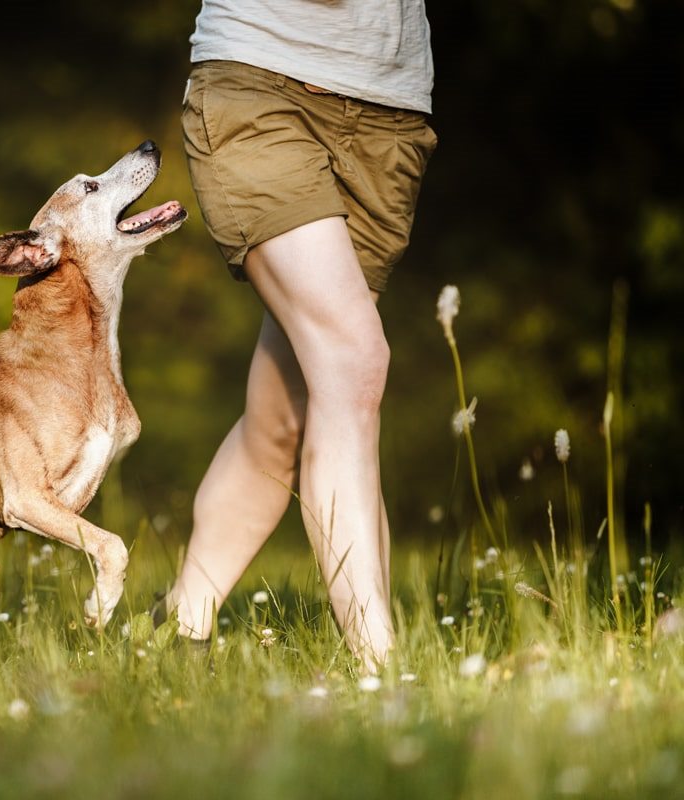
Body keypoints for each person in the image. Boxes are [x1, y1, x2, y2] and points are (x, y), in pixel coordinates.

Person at [164, 0, 437, 670]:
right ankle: (380, 668)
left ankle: (172, 630)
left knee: (285, 418)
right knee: (354, 360)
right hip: (263, 82)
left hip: (389, 116)